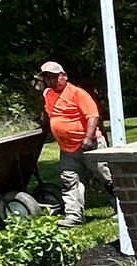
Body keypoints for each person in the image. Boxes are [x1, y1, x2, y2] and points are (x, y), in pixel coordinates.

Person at [37, 60, 111, 226]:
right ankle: (74, 217)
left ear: (64, 76)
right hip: (67, 149)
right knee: (69, 181)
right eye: (47, 78)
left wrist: (87, 137)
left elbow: (92, 116)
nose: (51, 81)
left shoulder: (78, 93)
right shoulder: (48, 94)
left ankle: (121, 209)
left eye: (54, 77)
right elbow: (52, 116)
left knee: (106, 177)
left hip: (90, 144)